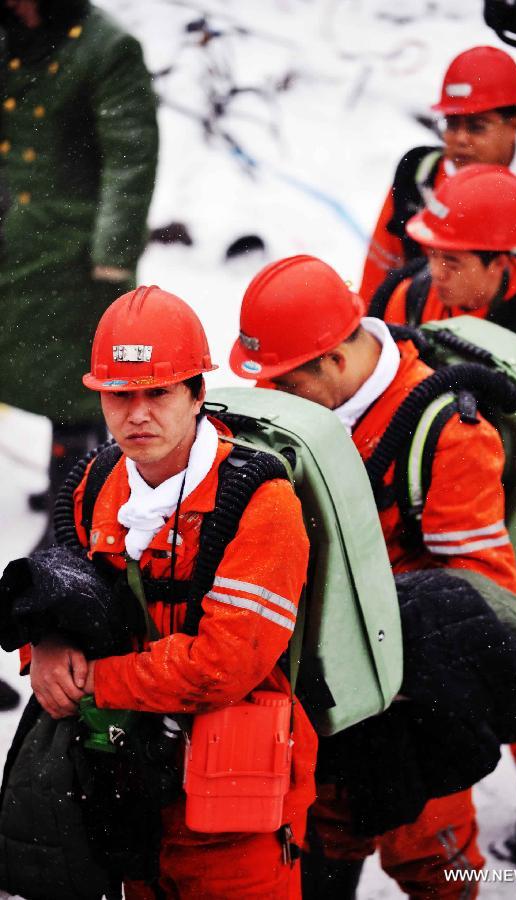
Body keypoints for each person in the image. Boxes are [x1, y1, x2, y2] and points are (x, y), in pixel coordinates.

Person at [229, 254, 516, 898]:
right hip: (330, 696)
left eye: (286, 381)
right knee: (323, 838)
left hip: (411, 700)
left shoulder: (446, 433)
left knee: (432, 857)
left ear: (335, 360)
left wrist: (389, 656)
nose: (274, 396)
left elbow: (482, 589)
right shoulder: (311, 403)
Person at [25, 284, 317, 899]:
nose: (137, 414)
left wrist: (94, 681)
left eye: (158, 392)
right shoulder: (94, 483)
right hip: (129, 788)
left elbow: (223, 666)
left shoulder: (262, 504)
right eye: (119, 394)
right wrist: (45, 647)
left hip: (233, 806)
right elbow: (66, 588)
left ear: (197, 394)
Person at [375, 162, 516, 881]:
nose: (433, 273)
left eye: (451, 259)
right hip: (428, 504)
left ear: (501, 263)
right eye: (430, 253)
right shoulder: (411, 294)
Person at [0, 0, 158, 508]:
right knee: (32, 377)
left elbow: (130, 155)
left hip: (75, 252)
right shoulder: (11, 39)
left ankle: (78, 506)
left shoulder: (107, 46)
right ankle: (69, 488)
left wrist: (113, 254)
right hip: (16, 240)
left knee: (76, 395)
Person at [360, 45, 516, 302]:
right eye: (451, 124)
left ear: (513, 125)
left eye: (477, 127)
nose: (460, 139)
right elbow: (376, 286)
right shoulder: (417, 180)